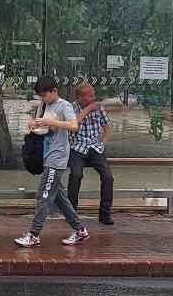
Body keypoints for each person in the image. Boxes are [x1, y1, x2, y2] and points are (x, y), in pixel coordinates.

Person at [16, 78, 91, 248]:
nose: (43, 99)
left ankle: (33, 234)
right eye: (41, 96)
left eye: (45, 95)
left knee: (44, 196)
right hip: (47, 155)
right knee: (59, 198)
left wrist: (50, 122)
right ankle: (80, 230)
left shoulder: (64, 106)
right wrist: (34, 124)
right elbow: (45, 129)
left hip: (57, 158)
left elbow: (74, 126)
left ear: (54, 91)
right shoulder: (45, 106)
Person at [67, 82, 115, 227]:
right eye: (89, 96)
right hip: (77, 147)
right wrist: (88, 109)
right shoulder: (71, 108)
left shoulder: (99, 108)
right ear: (80, 97)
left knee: (108, 176)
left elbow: (107, 128)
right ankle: (71, 213)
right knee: (76, 175)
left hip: (95, 147)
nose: (93, 98)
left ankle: (105, 213)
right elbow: (73, 124)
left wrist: (102, 143)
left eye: (93, 95)